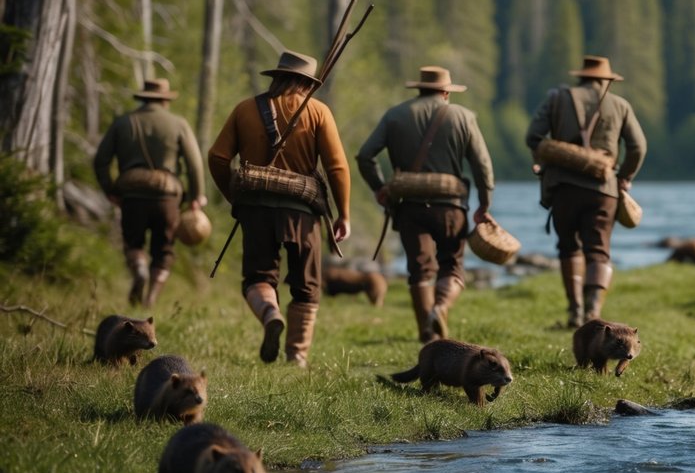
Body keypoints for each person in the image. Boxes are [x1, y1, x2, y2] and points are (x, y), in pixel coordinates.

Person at [207, 50, 351, 368]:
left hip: (255, 210)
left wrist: (234, 195)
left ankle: (270, 313)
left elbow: (217, 157)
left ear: (277, 76)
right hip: (302, 212)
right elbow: (337, 167)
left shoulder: (245, 109)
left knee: (259, 277)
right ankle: (296, 356)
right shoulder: (318, 111)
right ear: (308, 82)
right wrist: (344, 214)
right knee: (306, 284)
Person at [356, 66, 494, 342]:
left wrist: (379, 187)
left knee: (418, 269)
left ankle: (426, 334)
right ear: (446, 92)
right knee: (452, 266)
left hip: (409, 207)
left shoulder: (395, 115)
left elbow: (364, 156)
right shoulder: (464, 117)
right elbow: (482, 165)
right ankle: (440, 307)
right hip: (451, 207)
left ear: (419, 88)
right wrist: (484, 203)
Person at [525, 55, 646, 327]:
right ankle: (592, 313)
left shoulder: (557, 99)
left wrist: (550, 156)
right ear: (607, 80)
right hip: (604, 191)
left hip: (563, 188)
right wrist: (624, 176)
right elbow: (638, 148)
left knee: (568, 248)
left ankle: (574, 311)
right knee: (598, 251)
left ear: (580, 76)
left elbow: (533, 136)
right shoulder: (620, 105)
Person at [94, 78, 206, 308]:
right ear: (166, 99)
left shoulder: (122, 122)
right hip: (168, 197)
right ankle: (151, 298)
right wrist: (196, 196)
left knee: (133, 242)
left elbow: (101, 161)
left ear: (143, 97)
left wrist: (110, 190)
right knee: (164, 249)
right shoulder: (178, 123)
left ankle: (140, 271)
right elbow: (195, 165)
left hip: (132, 195)